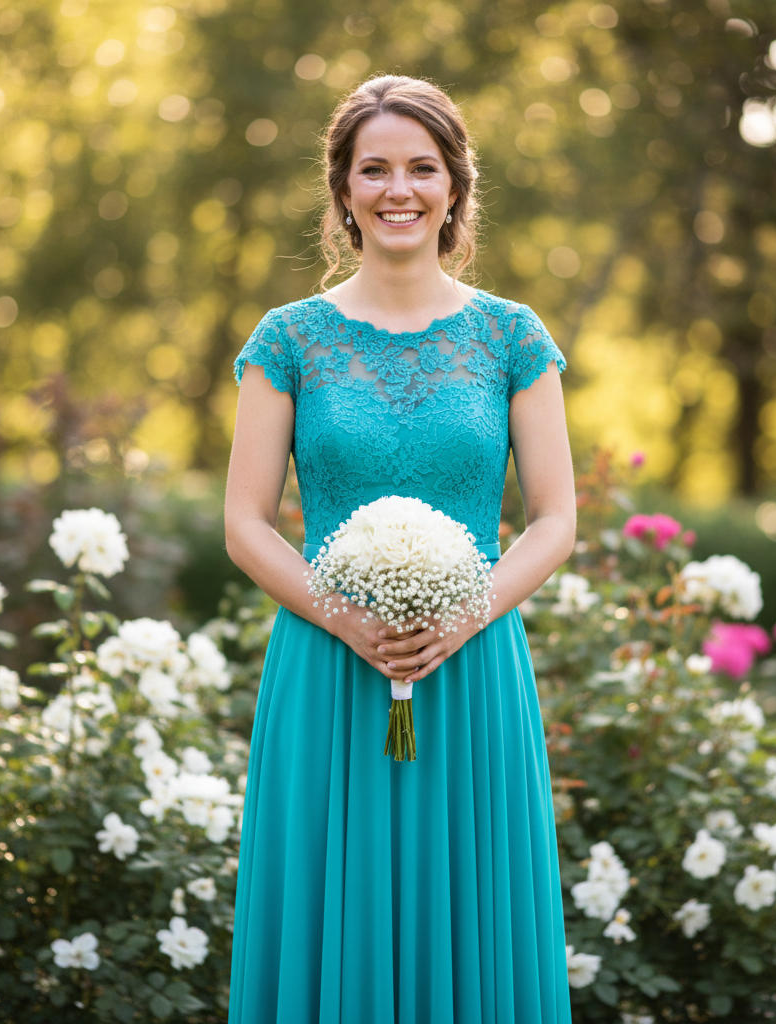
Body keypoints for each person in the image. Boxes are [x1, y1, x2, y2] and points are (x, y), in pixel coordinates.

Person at [224, 74, 576, 1024]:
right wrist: (344, 619)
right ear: (343, 190)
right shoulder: (288, 340)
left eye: (422, 168)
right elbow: (246, 522)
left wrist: (465, 616)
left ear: (455, 187)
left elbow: (554, 519)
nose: (399, 190)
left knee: (470, 920)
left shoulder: (512, 337)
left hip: (472, 663)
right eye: (374, 169)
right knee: (329, 914)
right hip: (327, 664)